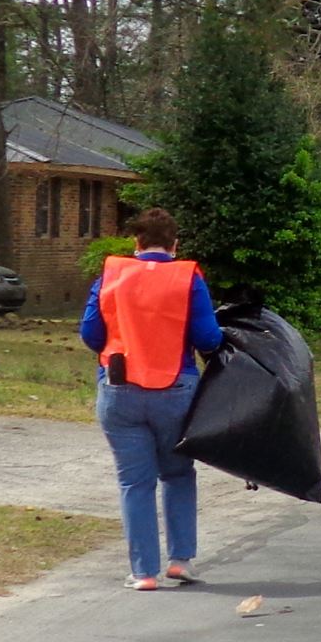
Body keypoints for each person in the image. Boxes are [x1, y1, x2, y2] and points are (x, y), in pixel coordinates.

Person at [81, 207, 225, 591]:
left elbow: (92, 334)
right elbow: (209, 339)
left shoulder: (111, 275)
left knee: (134, 483)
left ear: (136, 243)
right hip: (175, 390)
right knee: (177, 474)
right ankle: (180, 561)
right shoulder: (188, 278)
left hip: (119, 390)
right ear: (174, 245)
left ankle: (143, 572)